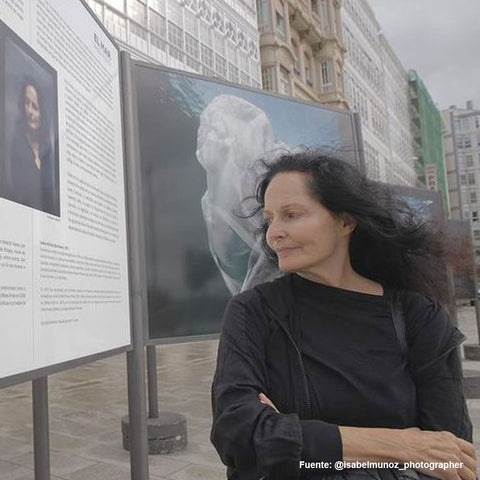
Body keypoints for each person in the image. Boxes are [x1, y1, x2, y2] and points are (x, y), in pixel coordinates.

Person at [210, 150, 476, 480]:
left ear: (345, 221)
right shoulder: (253, 312)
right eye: (269, 219)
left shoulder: (419, 317)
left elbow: (452, 461)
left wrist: (293, 442)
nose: (273, 232)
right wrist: (401, 445)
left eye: (291, 215)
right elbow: (237, 432)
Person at [7, 79, 58, 215]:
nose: (29, 110)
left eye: (35, 106)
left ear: (43, 112)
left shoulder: (48, 151)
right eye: (26, 103)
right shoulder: (17, 145)